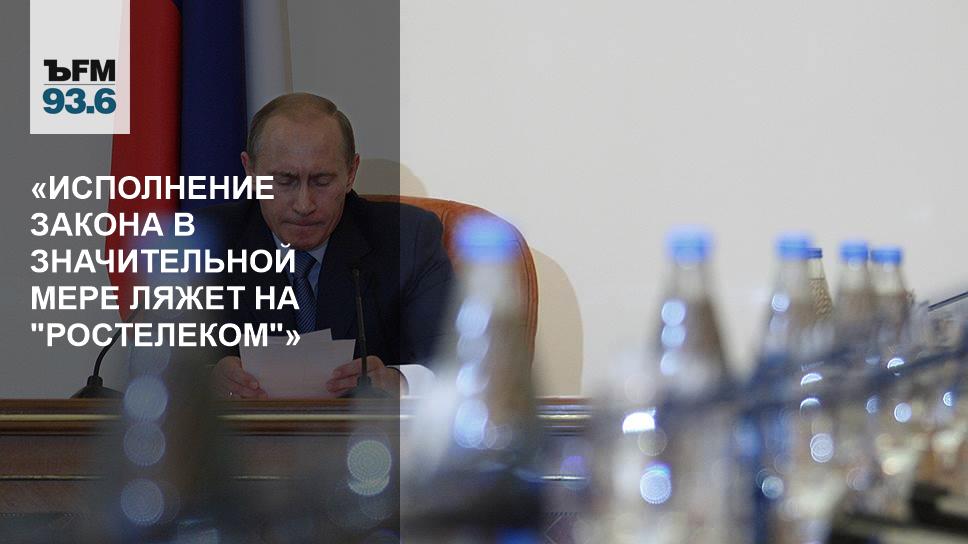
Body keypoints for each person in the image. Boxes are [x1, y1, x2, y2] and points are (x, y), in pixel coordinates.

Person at [195, 93, 453, 398]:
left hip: (366, 429)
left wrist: (398, 381)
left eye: (321, 181)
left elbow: (458, 364)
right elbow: (156, 362)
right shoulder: (204, 242)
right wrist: (205, 381)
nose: (304, 205)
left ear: (351, 173)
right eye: (284, 181)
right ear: (250, 171)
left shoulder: (408, 239)